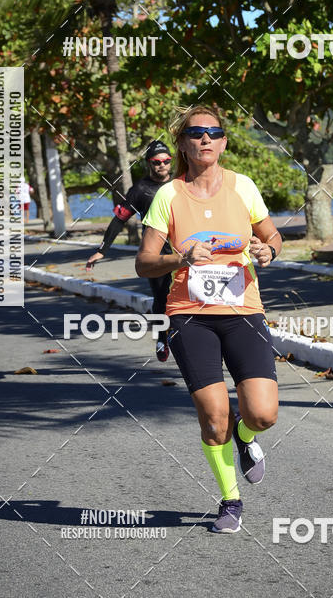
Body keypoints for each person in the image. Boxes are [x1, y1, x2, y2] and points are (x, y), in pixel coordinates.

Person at [136, 106, 282, 534]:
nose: (205, 139)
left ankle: (247, 436)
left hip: (243, 312)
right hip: (189, 316)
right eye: (196, 133)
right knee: (214, 416)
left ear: (223, 142)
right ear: (182, 142)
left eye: (214, 132)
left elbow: (273, 235)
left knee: (263, 414)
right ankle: (230, 500)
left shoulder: (243, 187)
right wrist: (179, 256)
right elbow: (145, 263)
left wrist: (268, 251)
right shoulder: (169, 196)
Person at [86, 140, 174, 362]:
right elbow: (119, 219)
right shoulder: (139, 190)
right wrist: (103, 250)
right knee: (161, 297)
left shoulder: (180, 183)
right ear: (149, 164)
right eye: (157, 162)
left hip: (184, 248)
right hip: (155, 252)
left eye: (166, 161)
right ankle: (162, 337)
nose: (162, 165)